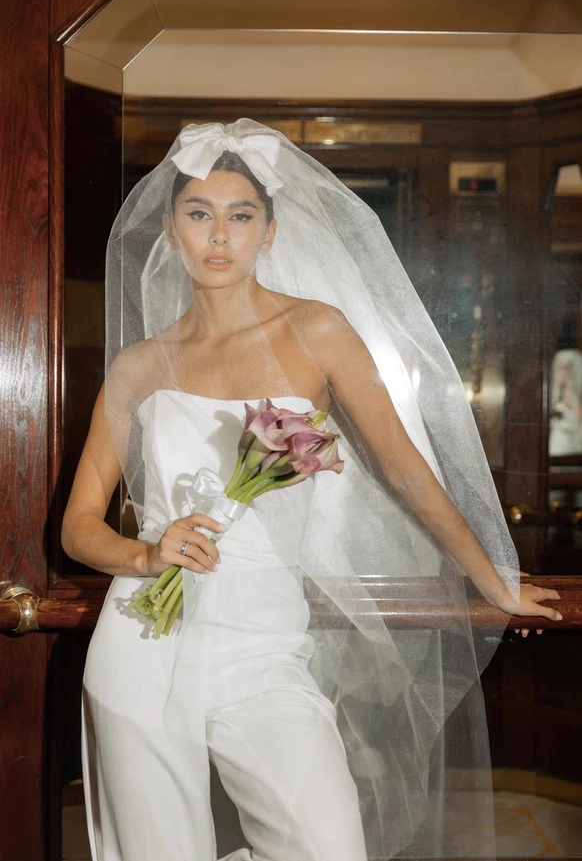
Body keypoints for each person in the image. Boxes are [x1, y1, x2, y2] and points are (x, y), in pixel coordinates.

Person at [62, 120, 562, 861]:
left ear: (269, 232)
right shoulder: (137, 366)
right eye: (199, 213)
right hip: (142, 641)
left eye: (241, 215)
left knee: (328, 848)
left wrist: (492, 576)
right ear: (170, 229)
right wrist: (145, 554)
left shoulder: (318, 329)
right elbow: (77, 526)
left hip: (264, 646)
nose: (219, 236)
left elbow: (403, 468)